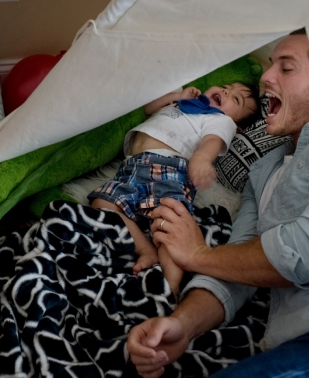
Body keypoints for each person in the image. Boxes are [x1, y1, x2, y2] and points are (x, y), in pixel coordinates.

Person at [126, 30, 309, 377]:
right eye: (271, 65)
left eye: (286, 69)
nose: (266, 77)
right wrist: (182, 325)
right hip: (300, 338)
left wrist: (197, 254)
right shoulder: (264, 169)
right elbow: (237, 269)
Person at [88, 81, 260, 298]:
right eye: (227, 86)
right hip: (131, 167)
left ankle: (171, 288)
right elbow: (149, 109)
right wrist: (177, 95)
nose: (227, 91)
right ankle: (145, 250)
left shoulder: (221, 120)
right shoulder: (182, 104)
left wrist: (201, 158)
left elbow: (212, 141)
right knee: (102, 202)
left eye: (236, 99)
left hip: (167, 167)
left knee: (170, 225)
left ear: (237, 126)